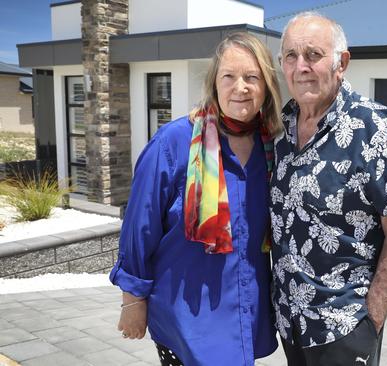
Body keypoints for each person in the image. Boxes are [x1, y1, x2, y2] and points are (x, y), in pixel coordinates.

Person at [109, 32, 283, 366]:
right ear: (214, 82)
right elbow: (139, 227)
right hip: (187, 321)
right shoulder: (174, 143)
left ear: (267, 86)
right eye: (228, 76)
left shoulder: (272, 149)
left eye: (252, 77)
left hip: (245, 315)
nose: (240, 87)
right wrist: (132, 301)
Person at [270, 11, 387, 366]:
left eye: (313, 54)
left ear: (342, 63)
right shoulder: (283, 129)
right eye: (291, 56)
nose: (301, 66)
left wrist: (371, 321)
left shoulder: (375, 128)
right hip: (291, 325)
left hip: (344, 330)